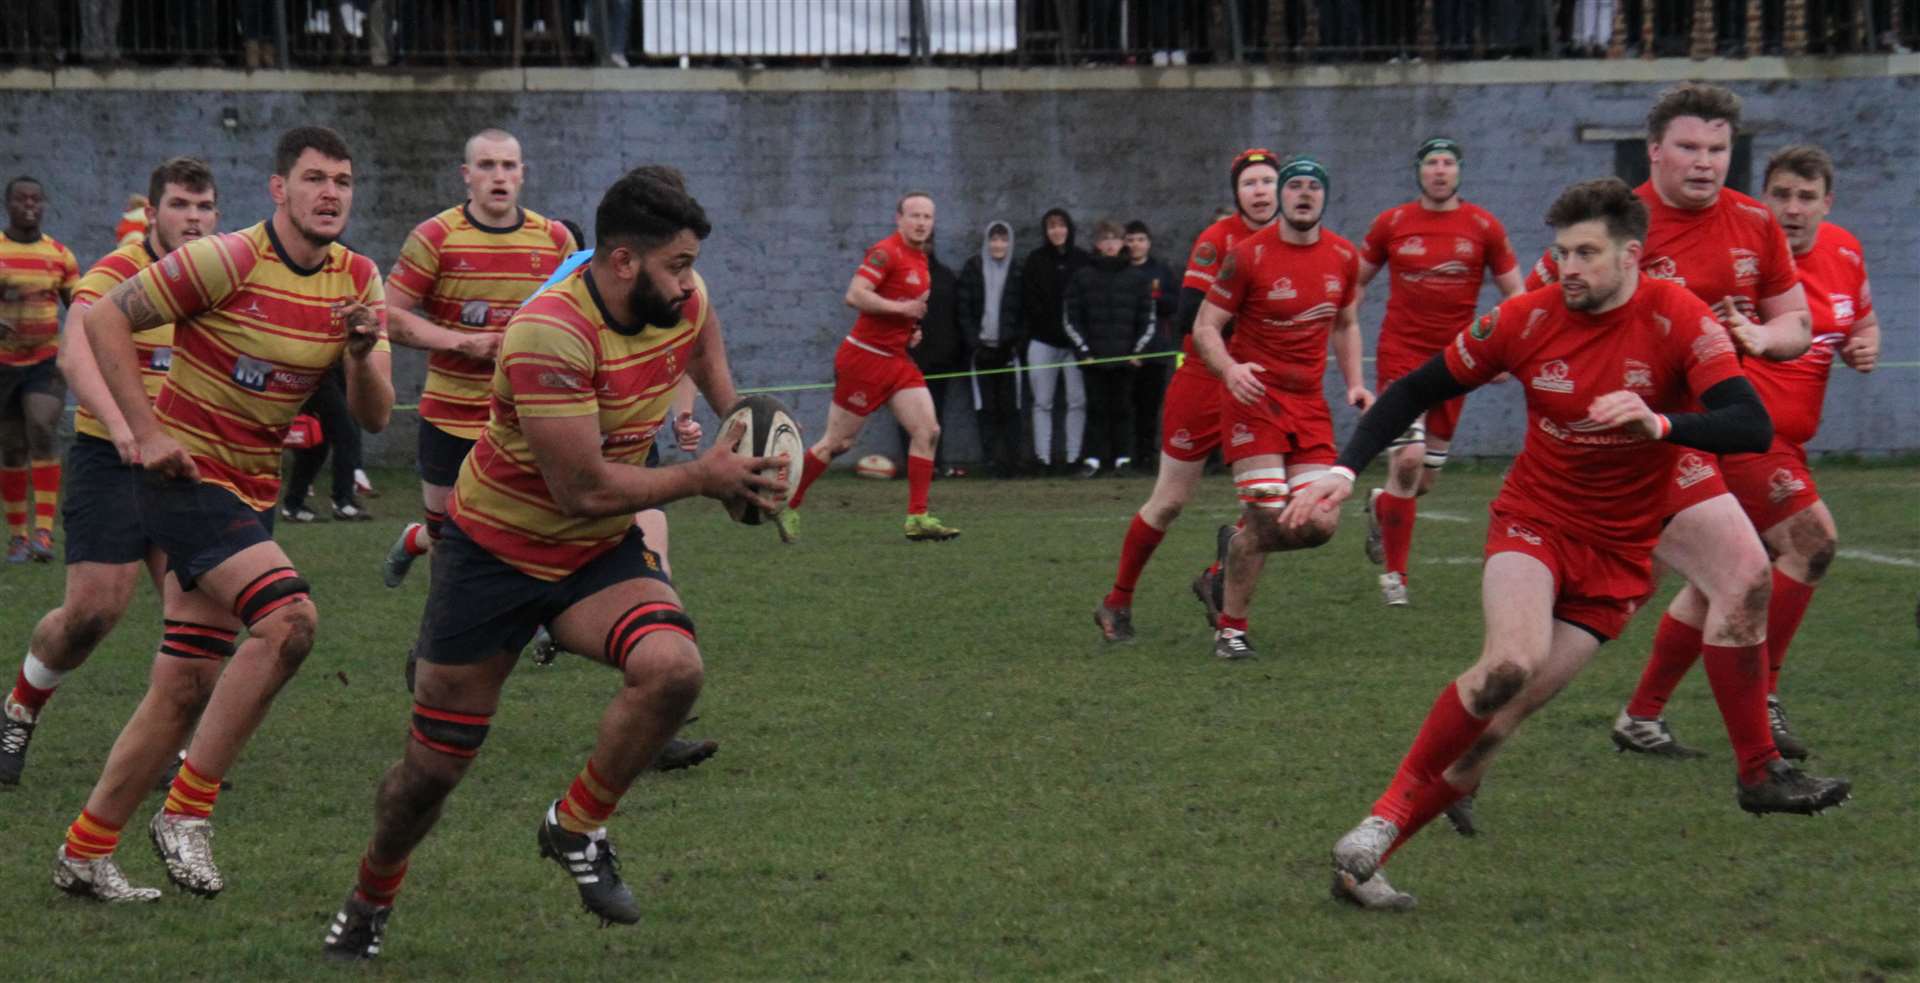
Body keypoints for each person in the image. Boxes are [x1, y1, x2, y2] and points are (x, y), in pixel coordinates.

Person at [1288, 177, 1849, 912]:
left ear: (1632, 257)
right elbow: (1412, 388)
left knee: (1496, 729)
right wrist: (1340, 469)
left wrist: (1661, 424)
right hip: (1537, 521)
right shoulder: (1526, 318)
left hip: (1619, 556)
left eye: (1586, 253)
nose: (1568, 267)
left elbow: (1746, 422)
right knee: (1505, 667)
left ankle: (1362, 869)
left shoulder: (1678, 319)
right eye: (1561, 252)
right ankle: (1385, 813)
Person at [320, 165, 781, 960]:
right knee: (427, 776)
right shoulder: (550, 332)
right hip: (493, 554)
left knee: (674, 668)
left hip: (593, 556)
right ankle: (371, 893)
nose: (690, 283)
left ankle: (575, 825)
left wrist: (739, 426)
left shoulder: (682, 300)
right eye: (678, 265)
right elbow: (582, 487)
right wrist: (706, 478)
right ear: (625, 261)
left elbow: (699, 335)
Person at [55, 126, 393, 902]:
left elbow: (374, 417)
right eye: (313, 178)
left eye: (342, 179)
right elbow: (103, 319)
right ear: (279, 190)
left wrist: (361, 351)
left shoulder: (361, 279)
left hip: (250, 492)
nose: (330, 193)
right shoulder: (227, 257)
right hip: (185, 482)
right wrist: (143, 432)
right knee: (290, 621)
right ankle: (187, 812)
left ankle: (84, 850)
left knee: (183, 687)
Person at [1530, 85, 1816, 765]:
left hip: (1705, 433)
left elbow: (1796, 324)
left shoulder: (1755, 221)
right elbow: (1537, 319)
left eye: (1718, 149)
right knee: (1620, 605)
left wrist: (1760, 336)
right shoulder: (1614, 222)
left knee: (1749, 571)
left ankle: (1742, 753)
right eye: (1688, 147)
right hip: (1627, 446)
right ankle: (1480, 732)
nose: (1704, 162)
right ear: (1654, 150)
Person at [0, 158, 218, 794]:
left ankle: (164, 745)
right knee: (92, 613)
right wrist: (129, 431)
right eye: (180, 205)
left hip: (186, 464)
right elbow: (73, 354)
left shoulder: (219, 276)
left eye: (204, 207)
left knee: (197, 617)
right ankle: (18, 712)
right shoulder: (120, 270)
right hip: (113, 458)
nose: (194, 219)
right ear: (153, 213)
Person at [1690, 144, 1878, 758]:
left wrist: (1864, 345)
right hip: (1749, 439)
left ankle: (1641, 714)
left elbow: (1862, 321)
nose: (1792, 209)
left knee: (1718, 583)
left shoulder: (1847, 252)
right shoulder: (1741, 255)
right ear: (1762, 197)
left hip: (1792, 445)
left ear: (1828, 203)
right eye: (1781, 195)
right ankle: (1764, 695)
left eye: (1806, 197)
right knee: (1813, 542)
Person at [1093, 149, 1279, 643]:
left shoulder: (1295, 243)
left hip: (1259, 383)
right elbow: (1192, 316)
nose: (1260, 190)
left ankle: (1219, 574)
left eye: (1268, 181)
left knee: (1270, 501)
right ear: (1236, 192)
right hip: (1202, 380)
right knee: (1170, 500)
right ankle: (1117, 601)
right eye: (1250, 182)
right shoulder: (1216, 241)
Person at [1190, 157, 1371, 660]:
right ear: (1283, 197)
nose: (1304, 194)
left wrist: (1355, 383)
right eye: (1295, 186)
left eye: (1314, 186)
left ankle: (1231, 551)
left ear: (1324, 197)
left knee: (1320, 525)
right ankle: (1231, 631)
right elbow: (1206, 326)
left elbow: (1345, 324)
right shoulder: (1247, 256)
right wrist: (1231, 370)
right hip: (1255, 400)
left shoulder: (1343, 256)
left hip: (1309, 404)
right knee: (1269, 514)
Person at [381, 128, 577, 588]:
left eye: (508, 166)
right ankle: (434, 638)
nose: (499, 176)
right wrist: (461, 343)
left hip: (526, 418)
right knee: (448, 540)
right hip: (449, 416)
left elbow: (579, 318)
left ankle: (543, 620)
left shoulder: (554, 240)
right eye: (487, 166)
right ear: (466, 176)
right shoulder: (435, 237)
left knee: (530, 531)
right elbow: (385, 315)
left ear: (523, 175)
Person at [1357, 138, 1523, 607]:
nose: (1440, 170)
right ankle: (1395, 579)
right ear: (1419, 171)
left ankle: (1379, 504)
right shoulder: (1391, 223)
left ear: (1459, 172)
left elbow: (1518, 295)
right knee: (1407, 460)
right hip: (1400, 356)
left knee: (1421, 480)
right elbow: (1356, 284)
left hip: (1457, 362)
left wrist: (1505, 351)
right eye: (1431, 162)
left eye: (1448, 162)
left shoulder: (1483, 226)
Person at [779, 193, 959, 543]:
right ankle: (788, 503)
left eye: (927, 216)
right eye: (914, 215)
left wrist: (911, 331)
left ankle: (917, 517)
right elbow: (855, 294)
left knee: (928, 430)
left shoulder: (920, 259)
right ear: (899, 219)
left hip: (897, 360)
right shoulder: (885, 252)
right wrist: (902, 311)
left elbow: (906, 311)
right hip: (864, 358)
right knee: (838, 442)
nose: (921, 222)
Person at [0, 175, 80, 563]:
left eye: (36, 198)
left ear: (44, 204)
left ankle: (44, 535)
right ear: (8, 204)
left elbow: (79, 307)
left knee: (43, 428)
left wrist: (80, 347)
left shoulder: (60, 255)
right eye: (21, 199)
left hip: (44, 361)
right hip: (2, 364)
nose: (29, 205)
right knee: (12, 446)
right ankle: (17, 536)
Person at [1062, 219, 1154, 478]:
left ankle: (1123, 459)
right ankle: (1093, 459)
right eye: (1105, 239)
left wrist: (1138, 352)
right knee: (1095, 409)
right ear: (1097, 244)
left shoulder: (1137, 277)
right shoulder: (1082, 276)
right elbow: (1071, 317)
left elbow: (1147, 318)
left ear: (1121, 243)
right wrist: (1083, 352)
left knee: (1123, 409)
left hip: (1126, 360)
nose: (1110, 244)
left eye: (1115, 239)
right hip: (1093, 359)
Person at [1021, 207, 1090, 475]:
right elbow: (1029, 303)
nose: (1057, 231)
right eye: (1051, 226)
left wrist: (1077, 337)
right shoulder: (1034, 260)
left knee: (1076, 401)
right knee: (1042, 402)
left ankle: (1073, 458)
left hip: (1075, 345)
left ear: (1069, 228)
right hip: (1043, 342)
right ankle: (1043, 459)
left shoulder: (1083, 260)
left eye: (1061, 226)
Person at [956, 221, 1025, 478]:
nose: (998, 245)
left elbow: (1024, 312)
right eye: (994, 240)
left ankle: (1013, 464)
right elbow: (963, 310)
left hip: (1009, 353)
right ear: (986, 242)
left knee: (1011, 408)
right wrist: (975, 344)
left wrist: (1013, 344)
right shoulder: (972, 269)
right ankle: (990, 462)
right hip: (981, 353)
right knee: (986, 409)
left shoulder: (1018, 270)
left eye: (1003, 240)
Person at [899, 243, 964, 476]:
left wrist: (951, 351)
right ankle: (910, 465)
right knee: (907, 416)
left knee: (934, 417)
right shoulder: (901, 275)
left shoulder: (945, 277)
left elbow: (953, 317)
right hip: (908, 359)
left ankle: (934, 464)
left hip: (939, 359)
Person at [279, 363, 373, 521]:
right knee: (347, 435)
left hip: (329, 373)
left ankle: (293, 505)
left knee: (317, 445)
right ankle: (343, 501)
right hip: (319, 374)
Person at [1123, 220, 1179, 470]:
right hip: (1126, 349)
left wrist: (1154, 298)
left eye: (1140, 240)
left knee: (1150, 406)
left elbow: (1174, 303)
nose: (1136, 245)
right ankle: (1128, 456)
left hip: (1156, 349)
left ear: (1149, 243)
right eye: (1131, 240)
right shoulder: (1121, 270)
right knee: (1127, 405)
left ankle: (1148, 455)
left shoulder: (1161, 271)